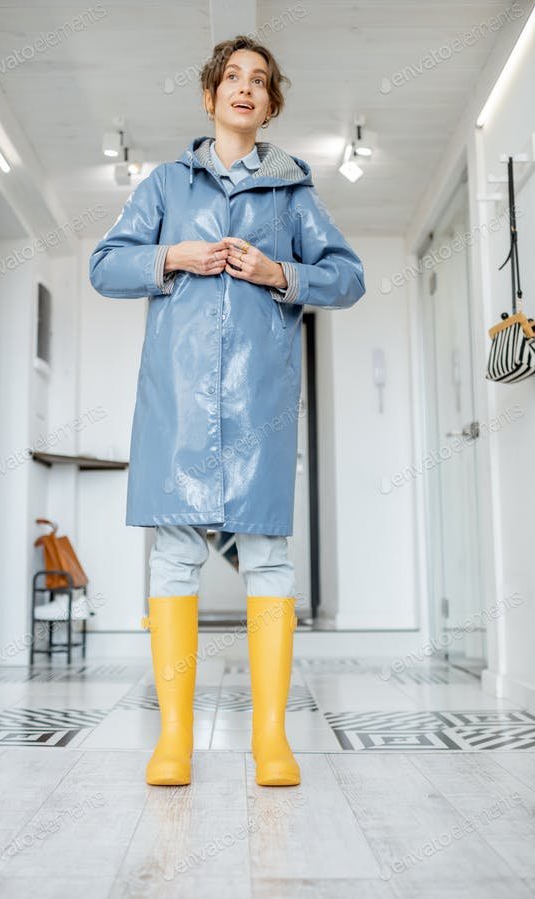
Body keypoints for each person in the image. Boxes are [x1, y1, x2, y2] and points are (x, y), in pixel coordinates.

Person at [89, 35, 366, 787]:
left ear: (271, 104)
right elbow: (104, 265)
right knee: (176, 559)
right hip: (177, 410)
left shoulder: (294, 194)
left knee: (269, 561)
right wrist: (171, 257)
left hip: (260, 412)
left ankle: (271, 741)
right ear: (209, 96)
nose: (246, 88)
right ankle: (172, 740)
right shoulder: (165, 186)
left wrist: (281, 271)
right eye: (233, 77)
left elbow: (349, 277)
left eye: (261, 81)